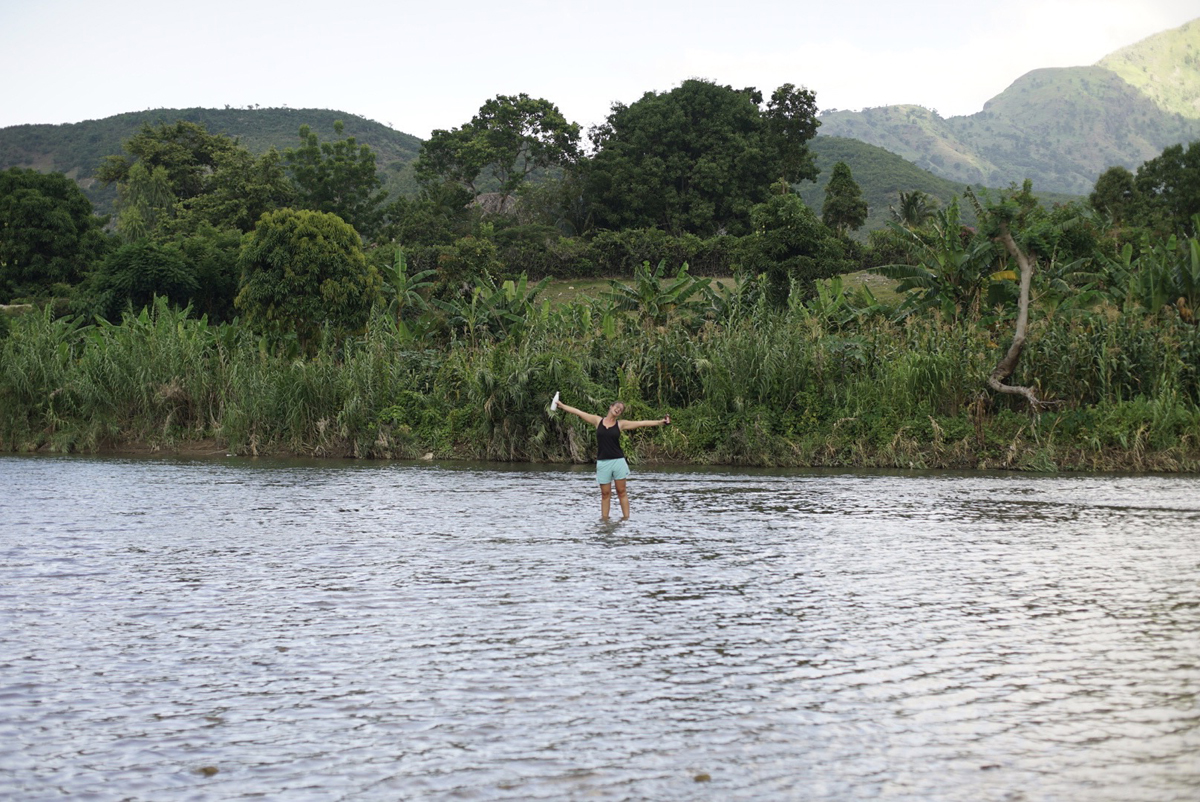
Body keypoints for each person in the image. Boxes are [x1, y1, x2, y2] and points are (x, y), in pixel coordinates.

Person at [553, 397, 669, 521]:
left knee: (621, 491)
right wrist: (562, 406)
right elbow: (579, 412)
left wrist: (661, 422)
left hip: (618, 461)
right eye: (616, 407)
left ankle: (626, 519)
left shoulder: (621, 424)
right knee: (605, 494)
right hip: (603, 462)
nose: (618, 410)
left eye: (620, 410)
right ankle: (605, 521)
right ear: (611, 407)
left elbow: (641, 423)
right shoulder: (598, 421)